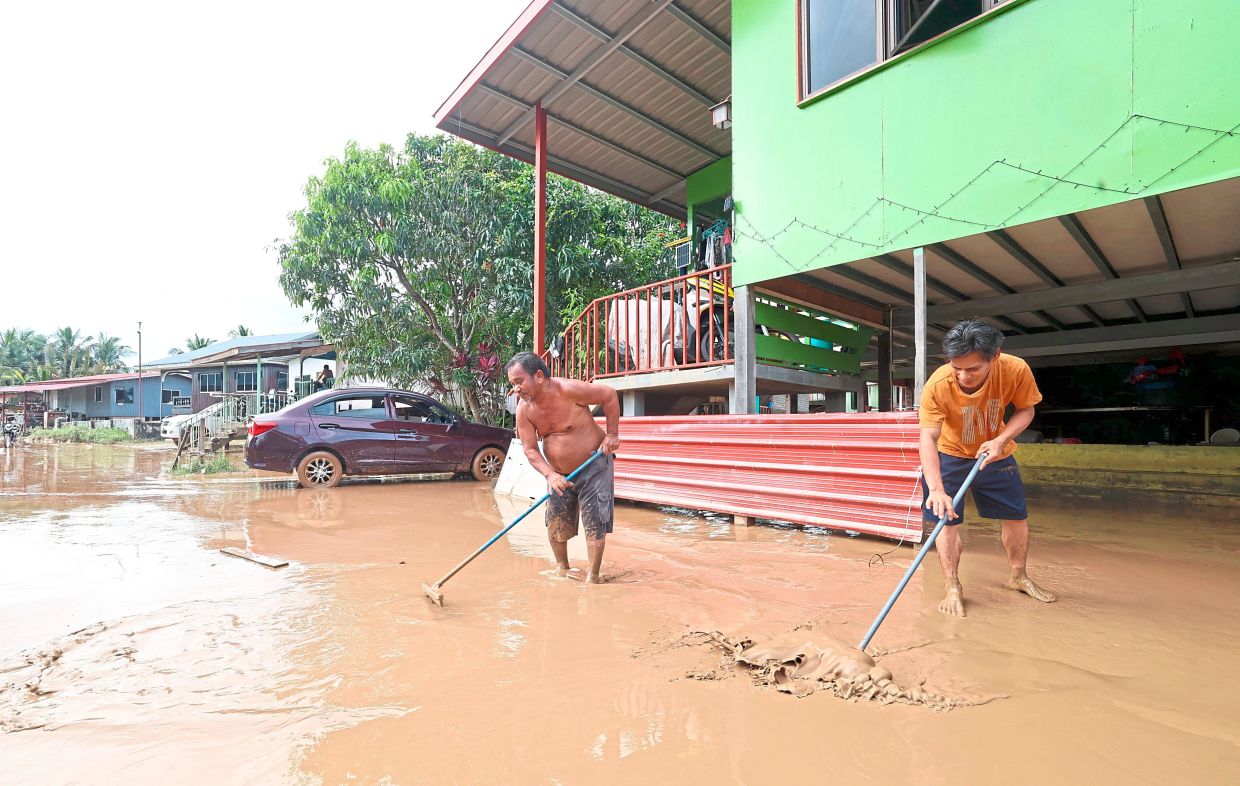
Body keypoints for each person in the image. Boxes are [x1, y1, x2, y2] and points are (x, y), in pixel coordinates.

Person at [919, 319, 1057, 617]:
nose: (963, 376)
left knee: (1016, 517)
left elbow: (1026, 408)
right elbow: (927, 436)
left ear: (995, 357)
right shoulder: (939, 384)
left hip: (997, 454)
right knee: (947, 521)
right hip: (950, 455)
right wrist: (937, 488)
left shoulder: (1015, 369)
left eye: (973, 369)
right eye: (957, 367)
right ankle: (952, 585)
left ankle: (1018, 576)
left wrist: (1002, 439)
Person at [506, 351, 621, 584]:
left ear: (538, 376)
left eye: (519, 382)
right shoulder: (524, 410)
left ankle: (594, 577)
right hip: (558, 474)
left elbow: (609, 395)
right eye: (512, 384)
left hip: (594, 463)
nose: (516, 389)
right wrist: (550, 474)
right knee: (556, 519)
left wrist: (612, 434)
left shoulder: (568, 390)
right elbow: (530, 449)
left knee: (595, 520)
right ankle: (563, 569)